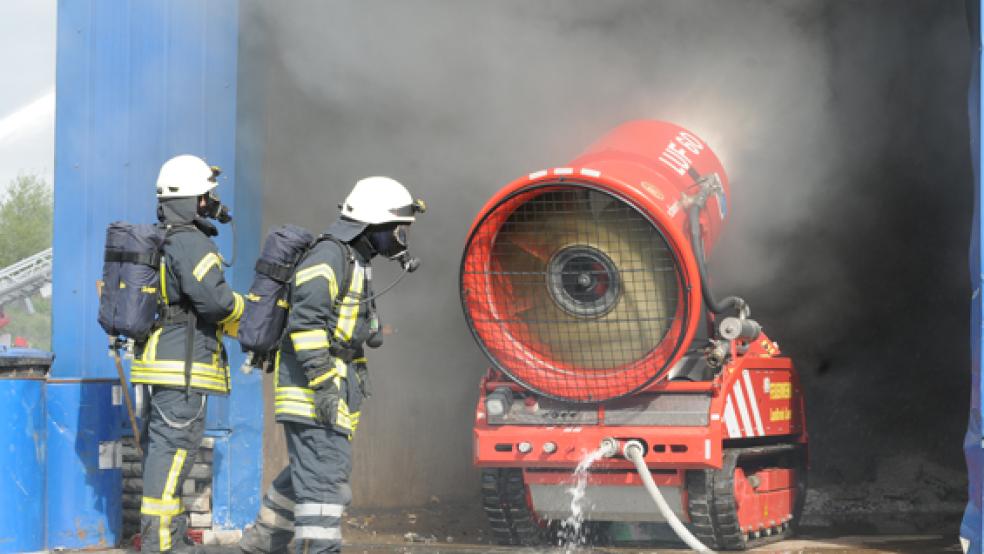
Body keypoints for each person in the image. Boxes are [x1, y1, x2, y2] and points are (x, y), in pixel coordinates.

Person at [232, 176, 424, 554]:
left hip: (330, 392)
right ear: (373, 224)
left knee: (309, 474)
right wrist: (322, 384)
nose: (402, 237)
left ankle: (260, 544)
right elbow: (305, 325)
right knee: (323, 486)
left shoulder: (355, 260)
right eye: (398, 228)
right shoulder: (329, 257)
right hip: (312, 393)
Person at [131, 154, 244, 553]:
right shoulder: (190, 242)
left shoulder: (164, 237)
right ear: (193, 199)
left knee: (164, 460)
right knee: (172, 459)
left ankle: (167, 541)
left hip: (162, 366)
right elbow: (215, 302)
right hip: (182, 373)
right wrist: (247, 312)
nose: (212, 202)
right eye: (207, 195)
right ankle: (164, 547)